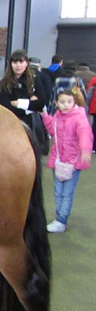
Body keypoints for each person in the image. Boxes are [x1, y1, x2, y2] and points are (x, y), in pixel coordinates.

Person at [42, 89, 93, 233]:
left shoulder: (79, 118)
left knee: (67, 193)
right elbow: (53, 131)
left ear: (74, 102)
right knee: (58, 192)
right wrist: (45, 116)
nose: (66, 105)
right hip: (58, 162)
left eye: (69, 102)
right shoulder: (57, 117)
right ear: (56, 103)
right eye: (62, 102)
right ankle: (59, 218)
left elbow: (85, 135)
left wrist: (85, 150)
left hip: (73, 163)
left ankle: (61, 220)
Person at [0, 50, 47, 130]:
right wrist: (30, 106)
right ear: (10, 64)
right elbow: (5, 106)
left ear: (26, 63)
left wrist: (19, 103)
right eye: (15, 62)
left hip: (31, 124)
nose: (18, 65)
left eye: (21, 62)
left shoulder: (34, 80)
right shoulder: (4, 84)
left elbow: (41, 103)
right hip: (10, 123)